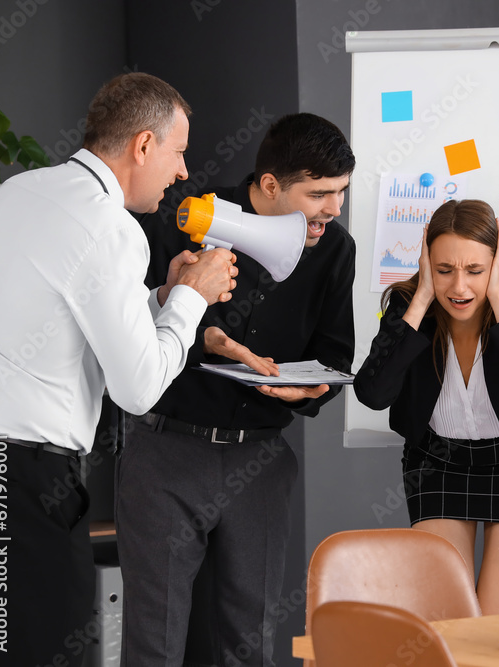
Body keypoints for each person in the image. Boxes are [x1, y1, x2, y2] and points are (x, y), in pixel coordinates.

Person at [0, 72, 236, 667]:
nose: (181, 173)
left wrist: (161, 299)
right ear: (143, 146)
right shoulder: (111, 226)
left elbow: (69, 319)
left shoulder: (21, 192)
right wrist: (192, 299)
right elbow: (140, 388)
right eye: (177, 153)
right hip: (28, 479)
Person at [116, 112, 356, 666]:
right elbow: (131, 321)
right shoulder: (185, 216)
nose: (333, 210)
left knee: (248, 643)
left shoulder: (333, 249)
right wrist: (209, 340)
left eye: (340, 193)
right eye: (320, 194)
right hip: (167, 454)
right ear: (270, 184)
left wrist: (309, 392)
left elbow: (335, 356)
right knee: (155, 639)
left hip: (261, 463)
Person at [354, 199, 499, 614]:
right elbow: (373, 393)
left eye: (475, 270)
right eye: (444, 269)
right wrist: (420, 300)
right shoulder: (408, 307)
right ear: (427, 261)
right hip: (439, 463)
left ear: (498, 263)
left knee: (492, 620)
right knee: (451, 616)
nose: (459, 288)